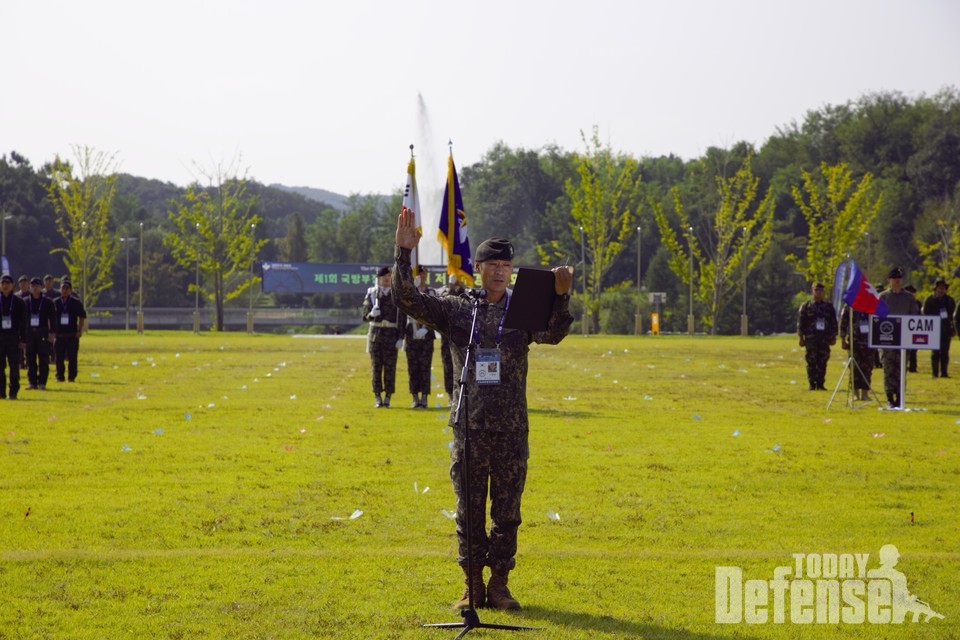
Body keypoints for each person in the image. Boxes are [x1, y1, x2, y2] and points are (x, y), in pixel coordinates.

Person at [393, 207, 574, 611]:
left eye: (506, 265)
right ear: (477, 268)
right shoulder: (460, 309)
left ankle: (500, 585)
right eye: (493, 264)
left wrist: (561, 297)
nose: (500, 271)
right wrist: (403, 255)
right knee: (470, 510)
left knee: (507, 511)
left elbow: (554, 334)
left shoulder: (524, 307)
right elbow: (407, 298)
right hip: (470, 427)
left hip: (511, 430)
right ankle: (472, 585)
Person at [360, 265, 405, 408]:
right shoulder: (372, 294)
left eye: (389, 276)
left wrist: (401, 337)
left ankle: (388, 397)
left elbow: (402, 317)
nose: (387, 278)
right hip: (376, 336)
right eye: (384, 276)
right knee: (376, 368)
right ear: (379, 278)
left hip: (391, 335)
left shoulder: (396, 294)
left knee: (390, 368)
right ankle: (377, 396)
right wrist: (372, 314)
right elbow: (364, 316)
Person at [878, 267, 916, 408]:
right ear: (889, 280)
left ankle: (900, 398)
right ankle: (889, 398)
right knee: (888, 370)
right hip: (887, 339)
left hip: (904, 340)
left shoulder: (909, 297)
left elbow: (915, 317)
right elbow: (877, 318)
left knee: (901, 370)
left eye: (899, 278)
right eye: (894, 278)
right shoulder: (882, 297)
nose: (897, 280)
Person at [403, 265, 436, 408]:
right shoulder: (407, 292)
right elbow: (402, 312)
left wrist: (427, 328)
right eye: (419, 274)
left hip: (426, 335)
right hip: (411, 334)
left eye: (424, 274)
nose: (421, 277)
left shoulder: (431, 292)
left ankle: (425, 397)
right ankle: (414, 397)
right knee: (413, 367)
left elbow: (435, 314)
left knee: (425, 367)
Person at [797, 282, 838, 390]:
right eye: (816, 290)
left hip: (824, 338)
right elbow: (801, 323)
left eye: (821, 291)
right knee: (811, 361)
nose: (819, 293)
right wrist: (801, 338)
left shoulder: (828, 307)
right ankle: (812, 383)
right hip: (811, 339)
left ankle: (820, 384)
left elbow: (833, 322)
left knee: (822, 361)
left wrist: (834, 336)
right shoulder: (806, 306)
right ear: (812, 291)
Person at [437, 275, 465, 404]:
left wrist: (458, 288)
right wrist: (452, 288)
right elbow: (445, 305)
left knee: (463, 368)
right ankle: (450, 396)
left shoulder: (467, 292)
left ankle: (462, 395)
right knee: (448, 367)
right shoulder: (443, 291)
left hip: (463, 339)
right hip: (447, 338)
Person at [52, 280, 87, 383]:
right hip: (59, 334)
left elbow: (82, 317)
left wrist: (80, 330)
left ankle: (71, 377)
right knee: (58, 357)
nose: (65, 290)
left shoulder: (76, 302)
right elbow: (50, 318)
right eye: (63, 288)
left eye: (67, 288)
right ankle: (59, 376)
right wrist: (52, 331)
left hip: (72, 334)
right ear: (60, 290)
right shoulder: (55, 302)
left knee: (72, 357)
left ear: (71, 290)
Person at [25, 277, 55, 390]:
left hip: (42, 333)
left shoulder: (47, 302)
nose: (34, 287)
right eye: (32, 285)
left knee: (43, 359)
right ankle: (32, 382)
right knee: (30, 358)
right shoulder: (25, 302)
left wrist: (52, 333)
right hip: (29, 334)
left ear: (41, 287)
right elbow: (21, 320)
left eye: (37, 285)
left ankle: (42, 382)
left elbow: (53, 318)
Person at [839, 302, 874, 400]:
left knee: (867, 368)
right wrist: (842, 339)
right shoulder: (850, 305)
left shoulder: (871, 303)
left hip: (869, 341)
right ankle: (855, 394)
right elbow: (843, 322)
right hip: (854, 342)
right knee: (854, 368)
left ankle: (865, 393)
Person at [0, 274, 27, 399]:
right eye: (3, 283)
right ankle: (1, 392)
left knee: (14, 366)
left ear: (13, 286)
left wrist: (23, 339)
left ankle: (13, 392)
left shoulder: (18, 302)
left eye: (8, 284)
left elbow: (23, 322)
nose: (5, 286)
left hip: (13, 337)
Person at [922, 278, 956, 378]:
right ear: (935, 289)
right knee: (934, 352)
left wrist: (953, 329)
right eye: (939, 288)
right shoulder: (929, 300)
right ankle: (934, 372)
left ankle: (944, 372)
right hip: (933, 329)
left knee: (945, 352)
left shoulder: (949, 300)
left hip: (945, 329)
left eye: (943, 288)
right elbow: (925, 314)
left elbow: (951, 316)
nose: (941, 290)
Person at [903, 285, 921, 372]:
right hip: (904, 328)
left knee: (914, 350)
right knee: (904, 350)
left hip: (914, 327)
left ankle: (913, 367)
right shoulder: (902, 302)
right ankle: (903, 366)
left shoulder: (918, 303)